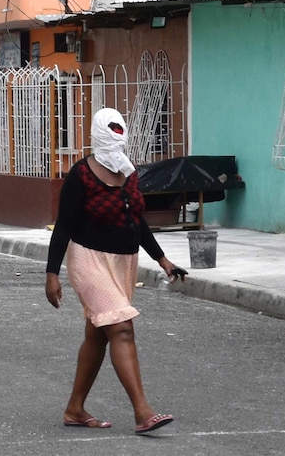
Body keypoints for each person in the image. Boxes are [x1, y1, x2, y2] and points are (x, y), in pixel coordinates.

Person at [45, 107, 187, 435]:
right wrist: (52, 274)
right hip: (88, 259)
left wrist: (163, 260)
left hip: (124, 262)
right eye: (110, 128)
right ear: (98, 132)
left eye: (119, 127)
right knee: (121, 328)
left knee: (98, 334)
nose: (116, 134)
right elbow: (64, 226)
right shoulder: (80, 174)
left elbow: (136, 219)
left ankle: (75, 409)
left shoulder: (128, 172)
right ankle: (142, 412)